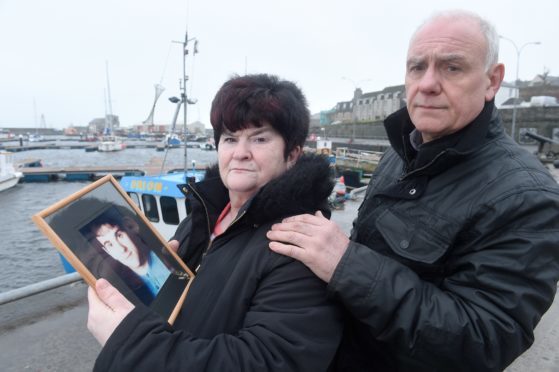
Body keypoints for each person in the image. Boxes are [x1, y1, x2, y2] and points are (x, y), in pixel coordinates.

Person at [267, 10, 559, 371]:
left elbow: (485, 341)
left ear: (492, 81)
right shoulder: (401, 152)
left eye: (452, 67)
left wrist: (347, 264)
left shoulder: (527, 197)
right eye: (417, 67)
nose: (427, 83)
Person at [87, 74, 342, 371]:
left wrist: (132, 345)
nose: (240, 152)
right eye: (230, 138)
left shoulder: (300, 246)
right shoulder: (205, 215)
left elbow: (267, 360)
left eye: (259, 138)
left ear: (292, 155)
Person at [82, 207, 171, 303]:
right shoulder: (124, 292)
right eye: (110, 245)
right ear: (107, 251)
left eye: (119, 235)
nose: (121, 249)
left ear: (131, 226)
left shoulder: (167, 260)